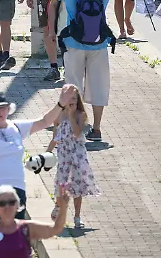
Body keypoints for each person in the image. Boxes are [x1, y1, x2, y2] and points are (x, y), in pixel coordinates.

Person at [0, 88, 75, 221]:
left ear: (9, 109)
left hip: (16, 187)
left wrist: (60, 104)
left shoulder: (16, 127)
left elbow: (44, 121)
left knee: (16, 232)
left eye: (2, 108)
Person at [50, 0, 116, 142]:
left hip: (73, 42)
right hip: (99, 43)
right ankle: (96, 129)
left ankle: (73, 125)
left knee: (72, 84)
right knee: (98, 85)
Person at [46, 85, 98, 230]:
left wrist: (71, 115)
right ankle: (58, 206)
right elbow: (55, 137)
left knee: (77, 185)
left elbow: (76, 133)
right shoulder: (58, 115)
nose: (71, 101)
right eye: (68, 98)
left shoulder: (80, 115)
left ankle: (77, 216)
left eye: (74, 99)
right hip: (64, 155)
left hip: (77, 155)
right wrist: (46, 154)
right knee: (61, 183)